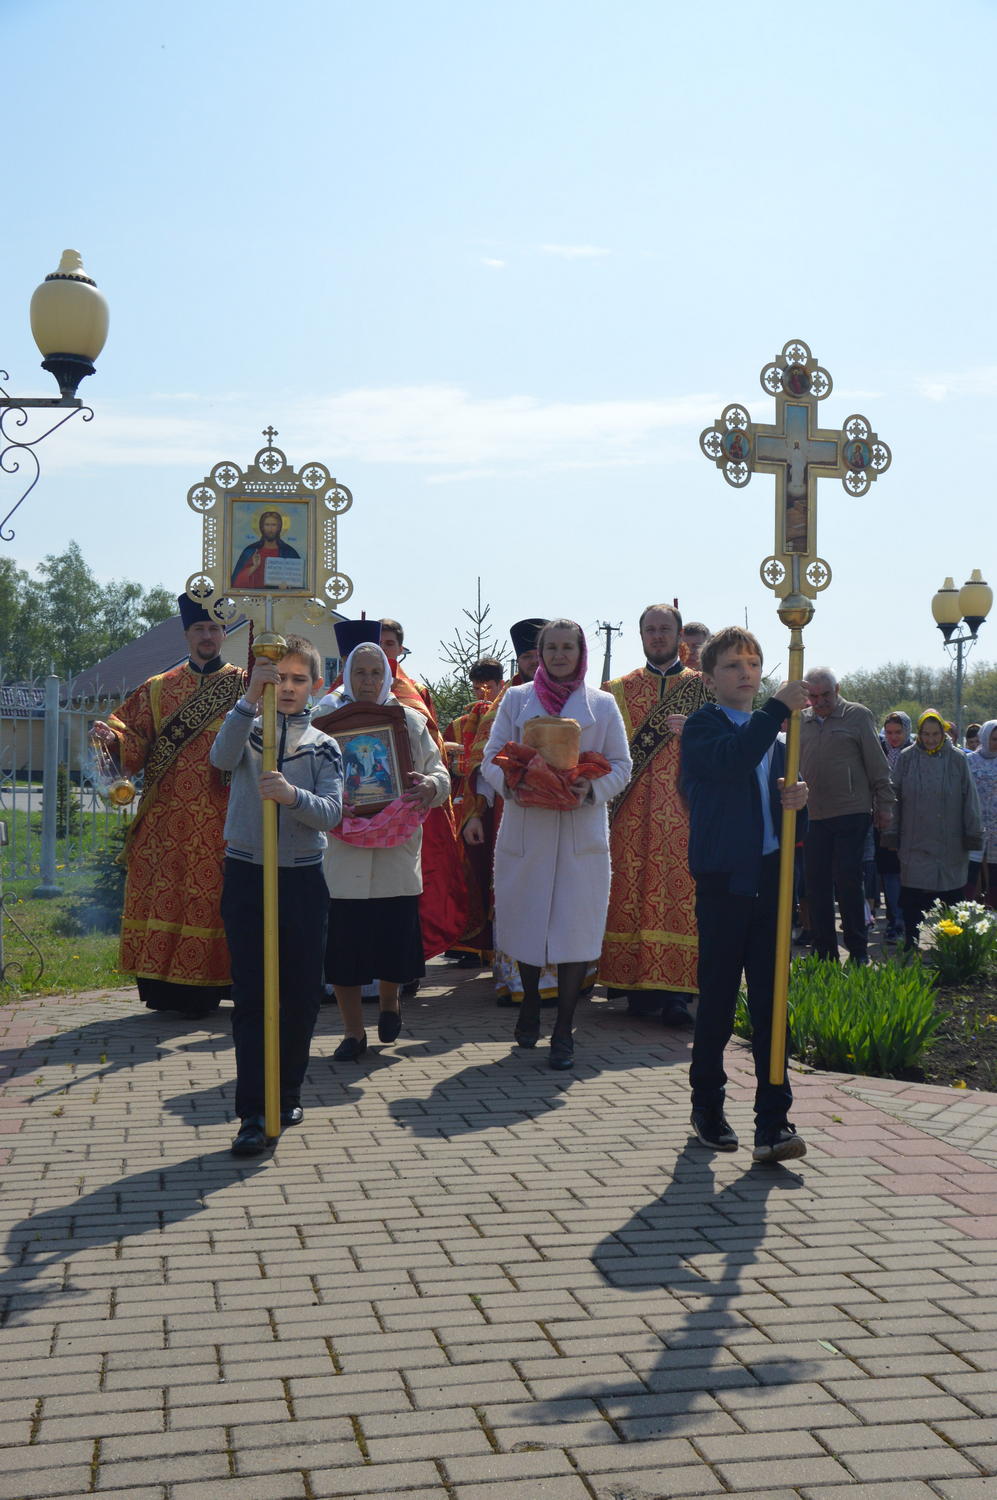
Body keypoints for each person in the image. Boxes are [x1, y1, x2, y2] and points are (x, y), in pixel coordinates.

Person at [680, 627, 810, 1163]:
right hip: (724, 884)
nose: (746, 673)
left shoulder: (777, 742)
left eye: (753, 663)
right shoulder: (703, 728)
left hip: (770, 882)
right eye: (733, 665)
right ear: (711, 679)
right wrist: (776, 711)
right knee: (716, 998)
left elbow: (777, 803)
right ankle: (708, 1106)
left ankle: (773, 1123)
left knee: (769, 1003)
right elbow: (732, 760)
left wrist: (797, 799)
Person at [209, 635, 343, 1156]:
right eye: (278, 677)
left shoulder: (323, 743)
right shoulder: (247, 730)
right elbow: (220, 760)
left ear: (313, 686)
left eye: (297, 679)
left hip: (301, 879)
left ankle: (286, 1092)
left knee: (301, 991)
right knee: (251, 995)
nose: (286, 687)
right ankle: (251, 1111)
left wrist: (293, 796)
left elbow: (332, 811)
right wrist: (246, 701)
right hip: (247, 871)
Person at [481, 619, 631, 1069]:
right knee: (526, 922)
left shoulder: (602, 705)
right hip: (529, 824)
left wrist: (592, 789)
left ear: (581, 652)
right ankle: (529, 1001)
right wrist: (514, 783)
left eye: (568, 647)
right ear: (540, 653)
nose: (560, 655)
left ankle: (564, 1028)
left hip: (579, 832)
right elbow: (490, 757)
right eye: (552, 648)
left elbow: (622, 765)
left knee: (573, 931)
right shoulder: (516, 699)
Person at [91, 595, 245, 1018]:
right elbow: (134, 740)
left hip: (222, 814)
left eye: (215, 629)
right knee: (165, 897)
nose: (208, 636)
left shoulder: (246, 686)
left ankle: (210, 990)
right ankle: (162, 990)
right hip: (165, 816)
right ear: (187, 634)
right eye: (200, 629)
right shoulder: (159, 688)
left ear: (223, 634)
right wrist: (113, 740)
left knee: (212, 898)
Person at [315, 640, 451, 1060]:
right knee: (344, 955)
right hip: (343, 855)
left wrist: (430, 786)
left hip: (395, 852)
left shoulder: (407, 719)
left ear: (388, 674)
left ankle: (391, 1004)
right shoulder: (324, 718)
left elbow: (439, 771)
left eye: (376, 673)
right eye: (361, 672)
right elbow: (306, 771)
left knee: (394, 945)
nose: (369, 681)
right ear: (348, 675)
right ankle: (353, 1033)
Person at [599, 603, 712, 1026]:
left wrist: (699, 733)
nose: (658, 636)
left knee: (681, 897)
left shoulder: (706, 688)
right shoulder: (618, 690)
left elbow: (727, 746)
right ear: (642, 635)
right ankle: (632, 985)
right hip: (630, 814)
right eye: (651, 629)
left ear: (679, 636)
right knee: (632, 892)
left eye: (666, 629)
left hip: (686, 812)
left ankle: (680, 992)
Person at [799, 668, 895, 964]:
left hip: (851, 811)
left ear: (837, 689)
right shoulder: (800, 721)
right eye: (813, 696)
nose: (820, 701)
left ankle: (857, 949)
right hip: (813, 815)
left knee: (848, 881)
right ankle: (824, 950)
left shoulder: (857, 715)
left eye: (826, 694)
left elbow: (877, 764)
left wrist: (885, 804)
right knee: (816, 884)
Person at [889, 709, 983, 949]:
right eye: (926, 734)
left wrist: (972, 835)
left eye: (935, 733)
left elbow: (969, 799)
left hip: (949, 844)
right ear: (918, 733)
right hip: (915, 842)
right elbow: (895, 798)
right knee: (912, 901)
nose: (930, 739)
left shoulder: (958, 759)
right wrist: (891, 832)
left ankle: (952, 951)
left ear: (944, 733)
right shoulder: (907, 758)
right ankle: (911, 946)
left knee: (951, 900)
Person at [443, 657, 506, 964]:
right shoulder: (457, 724)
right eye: (477, 686)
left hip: (502, 805)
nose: (483, 692)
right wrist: (453, 761)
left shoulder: (505, 713)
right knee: (469, 870)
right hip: (468, 805)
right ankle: (469, 943)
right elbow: (444, 762)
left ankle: (495, 944)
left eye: (489, 686)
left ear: (500, 684)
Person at [876, 711, 913, 942]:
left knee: (908, 874)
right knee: (889, 873)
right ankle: (894, 921)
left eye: (898, 732)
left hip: (911, 821)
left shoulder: (915, 753)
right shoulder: (879, 751)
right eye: (889, 732)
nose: (893, 737)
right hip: (884, 820)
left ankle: (909, 921)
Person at [967, 719, 997, 908]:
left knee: (994, 874)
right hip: (975, 825)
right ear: (985, 738)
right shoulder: (969, 761)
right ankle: (964, 913)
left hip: (996, 829)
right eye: (994, 739)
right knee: (970, 871)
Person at [231, 510, 301, 590]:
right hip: (253, 599)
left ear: (279, 527)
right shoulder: (250, 551)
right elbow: (236, 583)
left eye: (273, 525)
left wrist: (288, 587)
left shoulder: (289, 552)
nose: (270, 529)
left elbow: (298, 583)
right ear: (262, 527)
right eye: (267, 525)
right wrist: (254, 567)